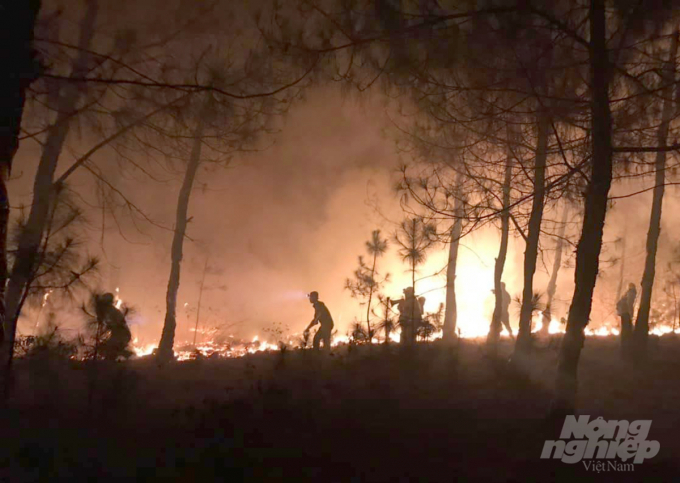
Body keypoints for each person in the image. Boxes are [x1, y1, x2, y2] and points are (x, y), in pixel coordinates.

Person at [96, 292, 132, 360]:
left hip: (122, 334)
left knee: (110, 349)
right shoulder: (109, 311)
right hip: (120, 334)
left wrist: (111, 326)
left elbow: (119, 323)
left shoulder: (112, 311)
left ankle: (129, 356)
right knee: (108, 350)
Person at [617, 283, 637, 354]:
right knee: (627, 329)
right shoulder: (631, 293)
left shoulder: (627, 293)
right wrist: (630, 313)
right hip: (626, 313)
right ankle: (626, 346)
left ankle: (624, 345)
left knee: (625, 329)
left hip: (623, 312)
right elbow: (629, 303)